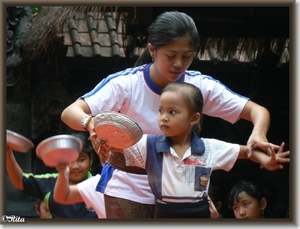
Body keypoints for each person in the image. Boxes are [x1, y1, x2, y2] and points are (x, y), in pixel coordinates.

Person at [61, 11, 281, 218]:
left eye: (187, 56)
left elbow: (257, 111)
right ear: (152, 50)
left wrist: (258, 134)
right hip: (128, 187)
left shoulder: (200, 86)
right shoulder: (126, 84)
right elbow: (71, 112)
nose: (179, 64)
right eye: (171, 55)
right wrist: (91, 124)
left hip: (181, 190)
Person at [119, 82, 289, 218]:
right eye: (160, 111)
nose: (163, 117)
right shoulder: (148, 144)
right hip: (164, 216)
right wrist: (101, 137)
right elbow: (117, 144)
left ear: (194, 118)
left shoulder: (209, 148)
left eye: (172, 112)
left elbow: (247, 152)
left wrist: (266, 160)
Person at [6, 131, 99, 218]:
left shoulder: (100, 185)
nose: (75, 166)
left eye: (81, 160)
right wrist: (7, 153)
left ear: (91, 160)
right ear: (61, 159)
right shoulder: (50, 182)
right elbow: (19, 181)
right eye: (70, 160)